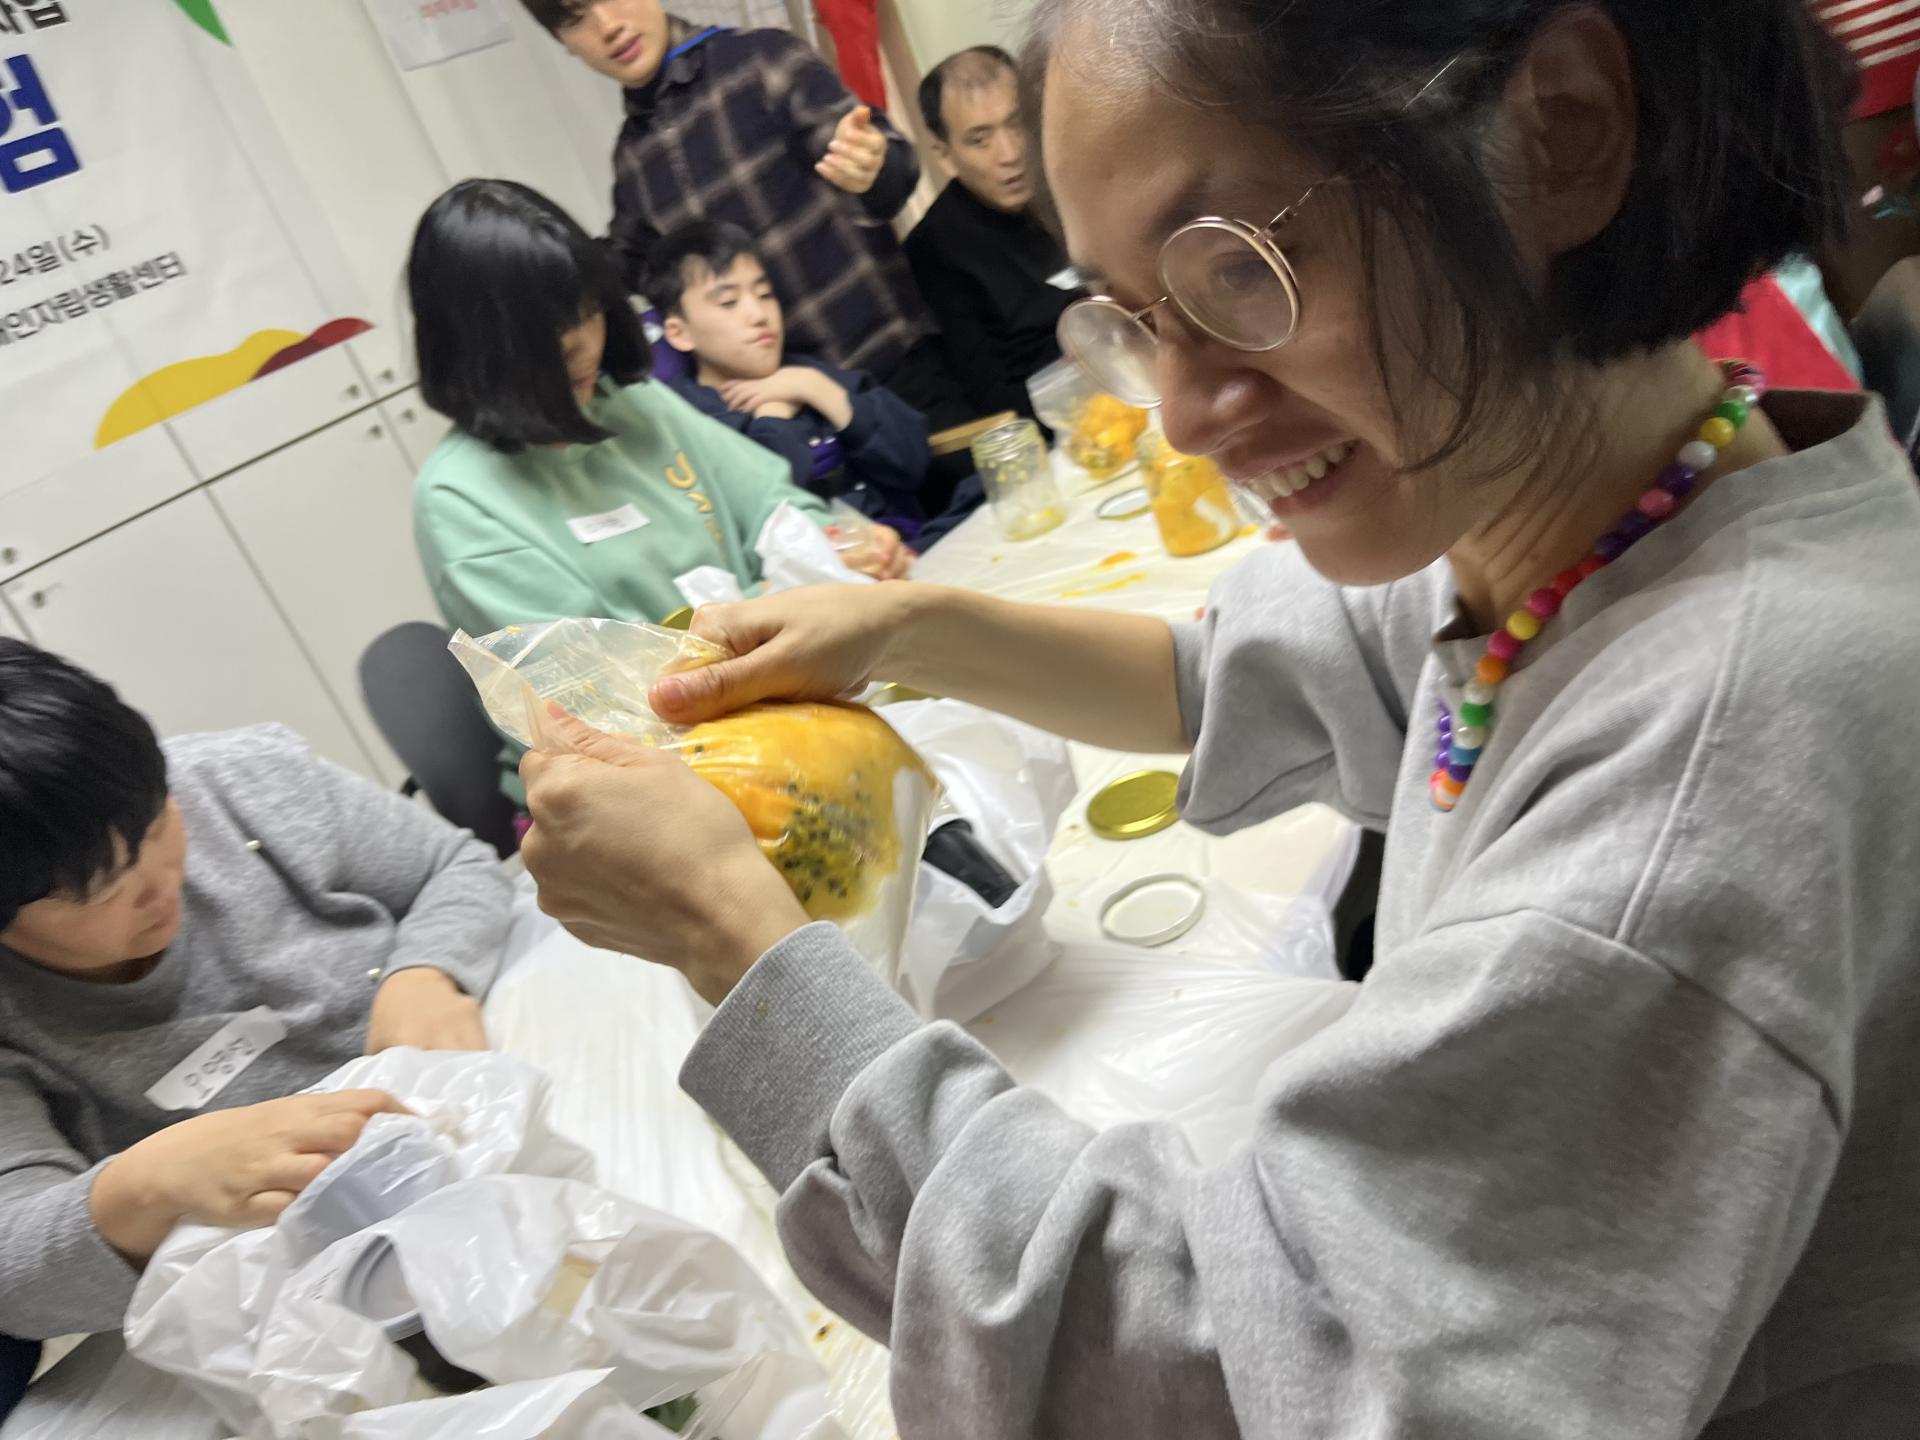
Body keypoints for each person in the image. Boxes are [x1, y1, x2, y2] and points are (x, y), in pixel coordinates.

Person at [512, 1, 1920, 1436]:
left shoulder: (1698, 796)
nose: (1180, 414)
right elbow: (1230, 667)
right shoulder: (1590, 525)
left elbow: (1250, 1371)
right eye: (1134, 317)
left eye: (1238, 268)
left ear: (1562, 126)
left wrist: (736, 938)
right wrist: (907, 631)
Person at [0, 639, 513, 1344]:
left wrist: (425, 972)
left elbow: (454, 866)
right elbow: (16, 1276)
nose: (161, 887)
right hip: (317, 1290)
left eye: (158, 827)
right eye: (103, 891)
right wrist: (144, 1185)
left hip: (482, 1120)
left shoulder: (238, 778)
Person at [520, 0, 980, 473]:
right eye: (575, 19)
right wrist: (527, 274)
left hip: (893, 375)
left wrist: (872, 167)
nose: (608, 26)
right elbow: (618, 269)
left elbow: (885, 165)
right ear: (564, 43)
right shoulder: (633, 161)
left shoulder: (763, 61)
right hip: (787, 425)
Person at [649, 221, 936, 524]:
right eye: (728, 302)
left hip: (904, 541)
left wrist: (816, 388)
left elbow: (913, 463)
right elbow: (767, 518)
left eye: (764, 294)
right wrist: (774, 416)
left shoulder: (804, 371)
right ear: (680, 333)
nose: (759, 315)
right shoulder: (686, 422)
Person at [905, 45, 1082, 421]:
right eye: (979, 139)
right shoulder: (934, 250)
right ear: (944, 155)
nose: (1010, 154)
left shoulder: (1070, 181)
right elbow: (990, 394)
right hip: (1051, 422)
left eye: (1016, 124)